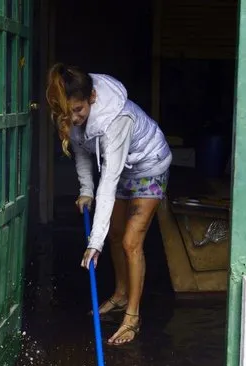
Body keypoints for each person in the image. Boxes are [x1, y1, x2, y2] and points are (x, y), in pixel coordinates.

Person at [45, 64, 172, 346]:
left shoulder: (117, 120)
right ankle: (120, 295)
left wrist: (94, 242)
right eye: (69, 113)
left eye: (78, 110)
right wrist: (85, 190)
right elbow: (79, 149)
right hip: (122, 169)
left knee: (130, 242)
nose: (74, 118)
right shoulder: (71, 114)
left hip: (149, 167)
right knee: (115, 235)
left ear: (92, 98)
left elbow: (109, 181)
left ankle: (132, 318)